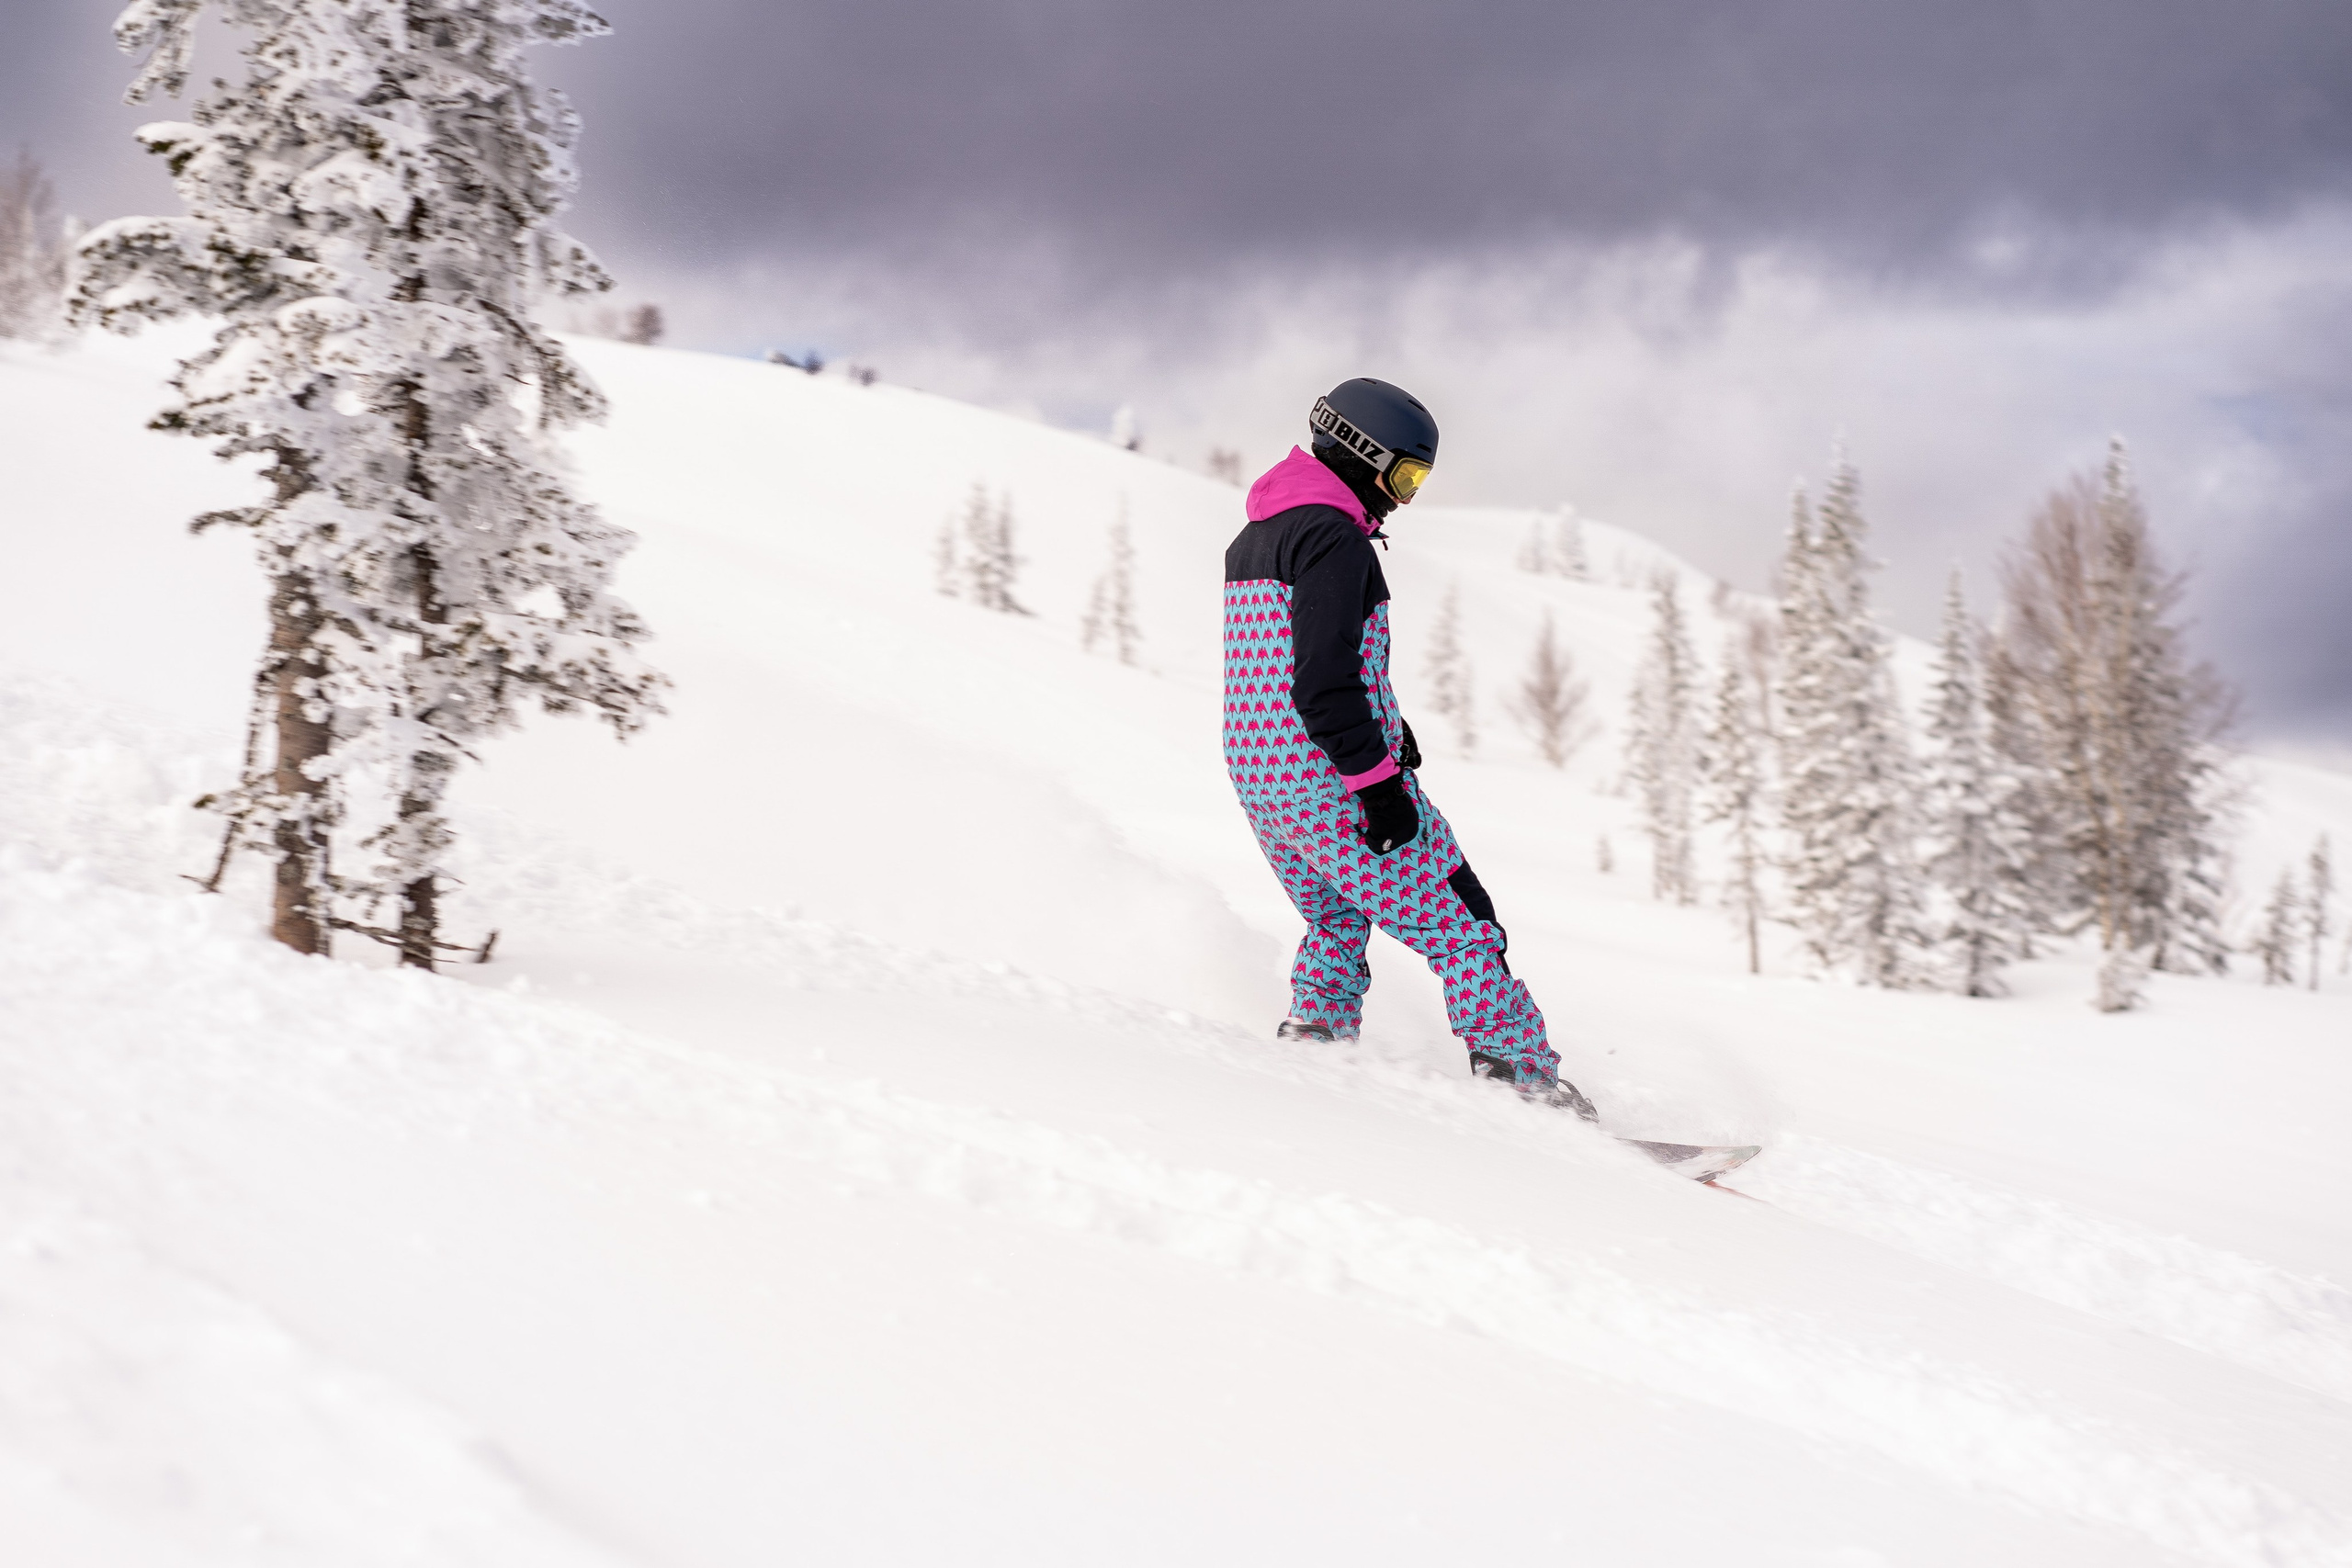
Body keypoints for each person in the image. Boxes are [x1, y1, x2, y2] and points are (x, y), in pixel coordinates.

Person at [1222, 378, 1596, 1118]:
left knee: (1336, 916)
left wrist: (1392, 729)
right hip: (1330, 779)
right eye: (1405, 476)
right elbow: (1323, 684)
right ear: (1363, 453)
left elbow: (1283, 665)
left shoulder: (1257, 536)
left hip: (1263, 777)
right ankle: (1521, 1081)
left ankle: (1317, 1041)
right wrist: (1379, 784)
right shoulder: (1334, 539)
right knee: (1462, 923)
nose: (1405, 498)